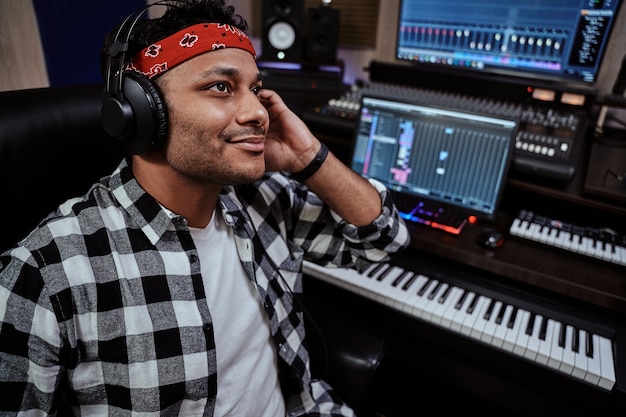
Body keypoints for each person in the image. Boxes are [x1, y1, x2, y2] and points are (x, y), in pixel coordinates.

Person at [0, 0, 409, 415]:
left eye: (255, 89)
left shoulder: (260, 199)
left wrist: (309, 156)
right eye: (221, 87)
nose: (257, 113)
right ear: (140, 110)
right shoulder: (47, 274)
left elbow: (383, 238)